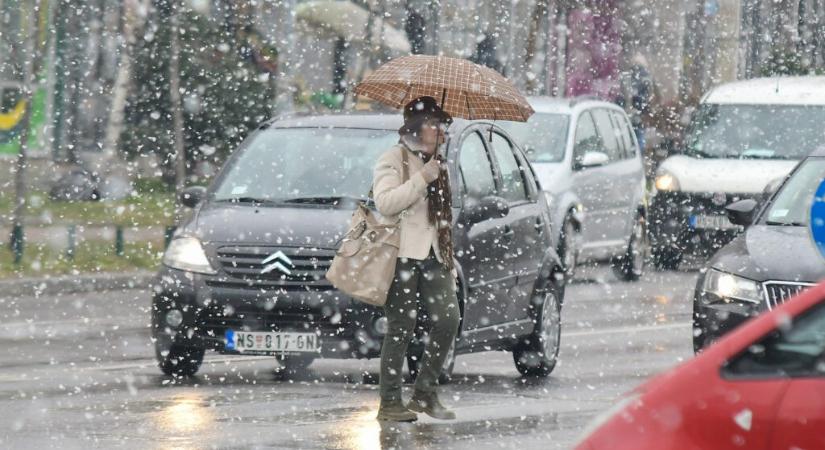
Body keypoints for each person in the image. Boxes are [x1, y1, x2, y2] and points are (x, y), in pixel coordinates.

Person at [372, 96, 461, 422]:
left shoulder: (438, 162)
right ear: (415, 127)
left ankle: (425, 392)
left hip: (434, 256)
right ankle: (390, 403)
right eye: (434, 124)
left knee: (449, 319)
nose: (441, 131)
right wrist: (422, 177)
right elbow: (386, 203)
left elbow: (442, 218)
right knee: (401, 328)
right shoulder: (393, 159)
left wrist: (448, 259)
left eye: (443, 125)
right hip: (402, 257)